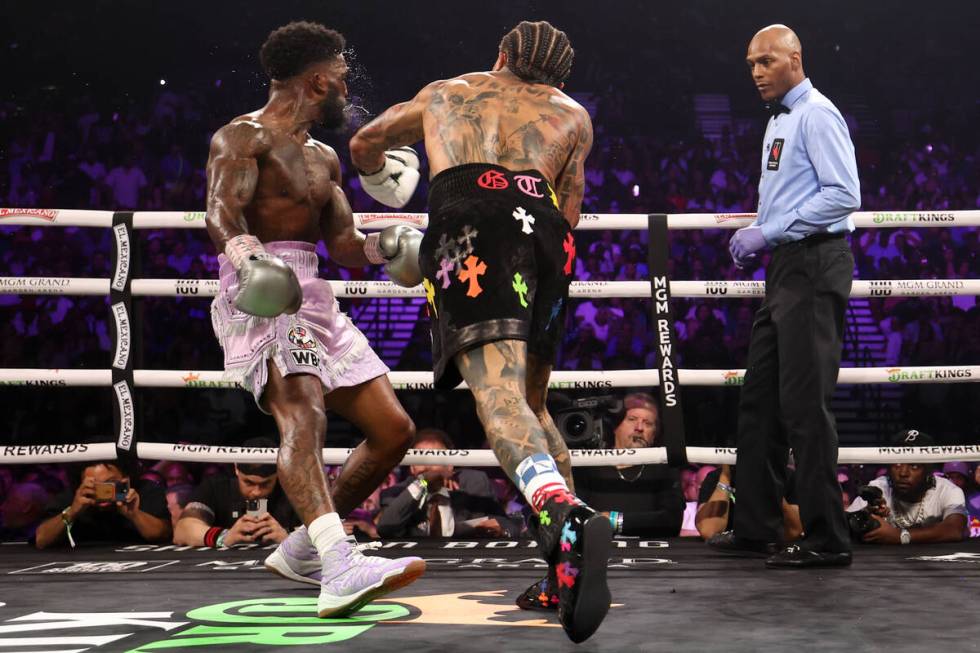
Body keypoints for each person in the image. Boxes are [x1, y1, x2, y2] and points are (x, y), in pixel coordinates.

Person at [350, 20, 608, 643]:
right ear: (559, 77)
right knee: (532, 403)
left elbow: (363, 143)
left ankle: (563, 515)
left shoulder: (446, 92)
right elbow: (568, 212)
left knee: (496, 397)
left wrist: (390, 176)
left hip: (471, 217)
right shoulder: (574, 116)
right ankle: (560, 572)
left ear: (499, 56)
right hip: (546, 233)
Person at [204, 21, 424, 617]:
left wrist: (391, 248)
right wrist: (247, 258)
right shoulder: (241, 137)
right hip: (262, 289)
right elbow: (221, 209)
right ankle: (339, 563)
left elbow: (346, 242)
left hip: (316, 295)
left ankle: (303, 547)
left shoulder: (322, 155)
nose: (348, 91)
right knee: (303, 411)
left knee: (393, 430)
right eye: (343, 80)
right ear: (318, 80)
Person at [709, 24, 861, 568]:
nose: (756, 72)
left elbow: (845, 193)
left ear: (795, 59)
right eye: (750, 62)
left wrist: (769, 232)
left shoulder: (817, 114)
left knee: (803, 404)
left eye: (766, 61)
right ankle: (756, 527)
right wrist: (764, 230)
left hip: (815, 265)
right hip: (786, 269)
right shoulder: (781, 120)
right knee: (760, 403)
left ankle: (827, 537)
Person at [517, 393, 684, 612]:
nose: (640, 428)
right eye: (632, 419)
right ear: (615, 426)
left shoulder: (663, 468)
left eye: (648, 423)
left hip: (651, 568)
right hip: (599, 559)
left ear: (655, 433)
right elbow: (575, 518)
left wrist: (610, 520)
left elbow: (671, 521)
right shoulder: (589, 464)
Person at [376, 428, 521, 538]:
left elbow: (508, 525)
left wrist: (502, 530)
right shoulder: (396, 493)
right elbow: (385, 528)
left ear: (450, 465)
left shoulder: (473, 482)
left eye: (435, 461)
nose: (427, 467)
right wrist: (423, 482)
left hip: (466, 565)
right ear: (412, 468)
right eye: (421, 460)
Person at [846, 430, 967, 545]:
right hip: (886, 564)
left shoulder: (947, 490)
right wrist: (867, 513)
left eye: (914, 466)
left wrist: (901, 536)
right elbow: (842, 525)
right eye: (897, 464)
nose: (903, 473)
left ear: (928, 470)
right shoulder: (879, 488)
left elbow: (955, 529)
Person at [173, 441, 301, 547]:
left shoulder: (295, 490)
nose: (256, 492)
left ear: (279, 473)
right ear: (236, 469)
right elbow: (182, 530)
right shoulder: (217, 487)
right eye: (248, 482)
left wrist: (290, 539)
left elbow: (319, 531)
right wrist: (223, 537)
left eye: (265, 484)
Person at [34, 461, 171, 549]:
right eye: (95, 485)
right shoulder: (76, 496)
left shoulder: (144, 491)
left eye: (110, 482)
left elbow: (163, 535)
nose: (103, 490)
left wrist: (134, 514)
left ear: (125, 479)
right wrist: (72, 511)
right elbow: (41, 540)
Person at [696, 464, 803, 544]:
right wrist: (725, 476)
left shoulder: (786, 477)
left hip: (770, 552)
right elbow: (709, 532)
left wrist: (768, 480)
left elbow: (794, 532)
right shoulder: (715, 478)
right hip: (728, 557)